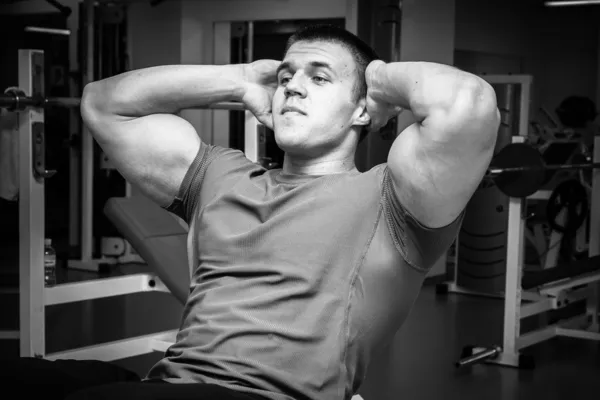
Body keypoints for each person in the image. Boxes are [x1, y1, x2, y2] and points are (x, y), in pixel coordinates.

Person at [4, 24, 500, 400]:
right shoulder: (219, 176)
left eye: (320, 78)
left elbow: (469, 103)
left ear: (362, 110)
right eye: (286, 77)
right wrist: (241, 81)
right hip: (173, 380)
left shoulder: (393, 201)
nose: (294, 87)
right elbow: (104, 103)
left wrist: (377, 79)